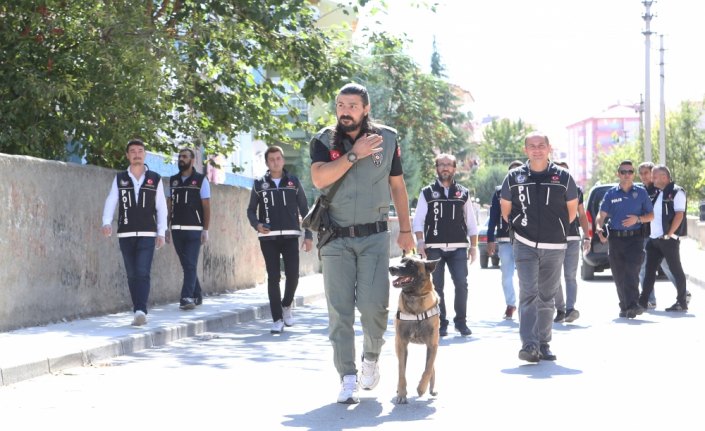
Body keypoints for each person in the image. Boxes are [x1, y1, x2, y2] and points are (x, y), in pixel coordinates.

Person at [309, 83, 415, 404]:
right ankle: (348, 376)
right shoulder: (323, 140)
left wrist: (406, 229)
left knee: (374, 307)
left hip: (373, 237)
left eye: (352, 105)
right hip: (335, 238)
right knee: (339, 311)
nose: (345, 111)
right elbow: (319, 178)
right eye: (341, 105)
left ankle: (371, 357)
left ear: (366, 109)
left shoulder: (388, 138)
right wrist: (355, 154)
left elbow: (397, 186)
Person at [500, 132, 578, 362]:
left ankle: (544, 343)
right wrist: (520, 229)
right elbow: (506, 209)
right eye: (532, 146)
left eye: (541, 145)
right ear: (525, 150)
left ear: (549, 148)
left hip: (554, 245)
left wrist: (557, 229)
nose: (537, 149)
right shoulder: (514, 177)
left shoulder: (563, 177)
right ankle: (529, 345)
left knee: (547, 295)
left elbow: (571, 211)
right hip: (524, 244)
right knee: (528, 293)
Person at [247, 145, 313, 334]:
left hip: (291, 235)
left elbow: (304, 209)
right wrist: (257, 225)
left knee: (293, 275)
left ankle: (286, 305)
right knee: (273, 277)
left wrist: (308, 235)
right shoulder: (259, 184)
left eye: (278, 158)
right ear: (267, 163)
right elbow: (251, 210)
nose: (275, 162)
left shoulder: (293, 181)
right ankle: (276, 319)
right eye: (271, 159)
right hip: (268, 238)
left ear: (283, 160)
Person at [101, 138, 167, 326]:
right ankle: (137, 308)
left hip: (148, 233)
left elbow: (161, 206)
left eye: (140, 151)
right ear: (128, 155)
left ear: (144, 154)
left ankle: (140, 310)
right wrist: (106, 222)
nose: (137, 154)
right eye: (133, 151)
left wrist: (161, 231)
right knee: (131, 274)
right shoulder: (120, 177)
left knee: (142, 271)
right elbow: (111, 200)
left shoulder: (154, 178)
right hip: (126, 233)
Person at [413, 154, 479, 336]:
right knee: (436, 287)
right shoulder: (427, 192)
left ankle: (461, 322)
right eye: (441, 164)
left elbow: (471, 223)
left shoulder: (463, 193)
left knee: (461, 284)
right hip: (434, 247)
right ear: (436, 169)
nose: (445, 168)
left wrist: (473, 247)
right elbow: (418, 220)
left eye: (448, 165)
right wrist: (420, 242)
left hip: (458, 247)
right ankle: (441, 323)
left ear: (454, 169)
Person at [594, 160, 654, 319]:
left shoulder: (641, 192)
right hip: (616, 240)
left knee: (632, 271)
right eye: (623, 172)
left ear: (633, 174)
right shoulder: (611, 194)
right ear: (618, 174)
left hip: (635, 239)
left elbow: (651, 215)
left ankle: (633, 304)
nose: (627, 175)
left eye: (630, 172)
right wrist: (599, 227)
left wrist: (638, 219)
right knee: (619, 274)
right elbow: (601, 214)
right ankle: (625, 306)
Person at [638, 165, 690, 312]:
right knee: (649, 272)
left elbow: (679, 215)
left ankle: (681, 302)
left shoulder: (676, 192)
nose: (651, 179)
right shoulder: (658, 193)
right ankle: (643, 301)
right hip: (654, 239)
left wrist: (669, 234)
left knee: (675, 270)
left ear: (664, 177)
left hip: (668, 239)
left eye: (654, 176)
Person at [166, 148, 211, 311]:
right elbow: (169, 204)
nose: (181, 159)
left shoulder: (201, 180)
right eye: (179, 156)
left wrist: (205, 229)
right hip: (177, 229)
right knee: (187, 265)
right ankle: (197, 294)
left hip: (194, 230)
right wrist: (166, 228)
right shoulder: (173, 181)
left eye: (184, 157)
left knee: (190, 264)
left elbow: (206, 206)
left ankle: (186, 297)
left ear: (192, 160)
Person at [553, 161, 590, 324]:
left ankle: (570, 308)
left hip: (573, 237)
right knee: (553, 277)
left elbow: (582, 215)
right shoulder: (548, 189)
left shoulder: (576, 191)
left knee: (570, 275)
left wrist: (587, 236)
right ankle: (560, 308)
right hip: (552, 239)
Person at [487, 160, 524, 320]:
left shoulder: (528, 189)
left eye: (518, 171)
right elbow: (493, 216)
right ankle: (511, 304)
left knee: (526, 276)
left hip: (525, 240)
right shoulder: (499, 192)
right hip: (504, 239)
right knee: (506, 275)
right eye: (512, 172)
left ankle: (526, 306)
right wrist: (490, 239)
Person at [637, 161, 675, 308]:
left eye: (646, 173)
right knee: (643, 269)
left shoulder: (659, 190)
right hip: (645, 235)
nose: (644, 176)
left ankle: (683, 293)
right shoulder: (641, 191)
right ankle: (650, 299)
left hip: (659, 235)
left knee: (667, 266)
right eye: (641, 174)